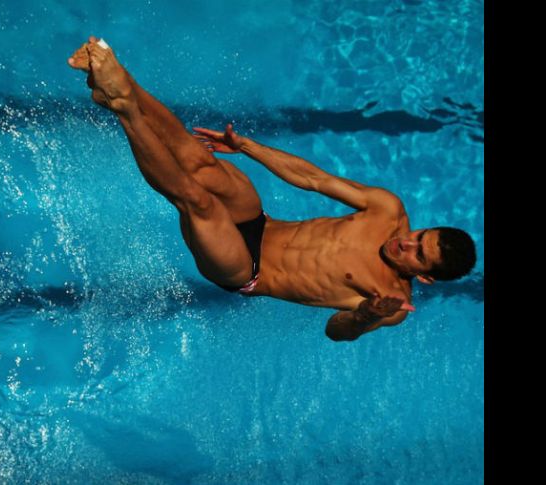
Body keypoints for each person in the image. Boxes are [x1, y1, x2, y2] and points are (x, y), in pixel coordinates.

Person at [67, 37, 476, 341]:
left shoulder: (390, 301)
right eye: (419, 236)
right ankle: (119, 82)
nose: (406, 242)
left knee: (198, 201)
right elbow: (315, 179)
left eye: (418, 254)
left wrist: (367, 315)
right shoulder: (387, 210)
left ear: (425, 279)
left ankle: (122, 105)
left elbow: (337, 331)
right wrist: (247, 147)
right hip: (259, 223)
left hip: (246, 268)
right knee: (201, 162)